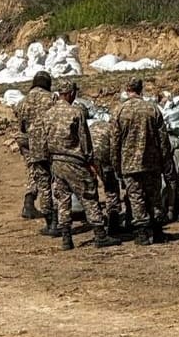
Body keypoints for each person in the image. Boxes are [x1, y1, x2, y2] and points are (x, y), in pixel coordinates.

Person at [42, 79, 121, 250]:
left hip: (56, 162)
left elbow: (43, 141)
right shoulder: (76, 113)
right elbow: (85, 142)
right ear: (70, 94)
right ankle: (100, 234)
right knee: (88, 196)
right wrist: (90, 163)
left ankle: (66, 238)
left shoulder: (48, 114)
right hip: (75, 162)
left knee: (63, 199)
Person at [112, 78, 179, 245]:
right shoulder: (152, 109)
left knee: (136, 197)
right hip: (152, 162)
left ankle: (142, 233)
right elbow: (163, 139)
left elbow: (115, 142)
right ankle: (157, 231)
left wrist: (116, 166)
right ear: (141, 89)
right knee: (154, 196)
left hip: (129, 164)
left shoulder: (119, 111)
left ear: (127, 89)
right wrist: (165, 161)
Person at [15, 71, 56, 232]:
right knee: (48, 175)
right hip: (45, 141)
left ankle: (29, 200)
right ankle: (54, 212)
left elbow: (21, 126)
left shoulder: (23, 101)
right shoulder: (51, 98)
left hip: (27, 139)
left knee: (34, 170)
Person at [89, 120, 124, 235]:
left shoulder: (93, 126)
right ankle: (113, 225)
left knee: (91, 190)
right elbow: (116, 148)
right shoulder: (112, 128)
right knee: (111, 188)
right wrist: (117, 170)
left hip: (90, 157)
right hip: (105, 157)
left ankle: (96, 220)